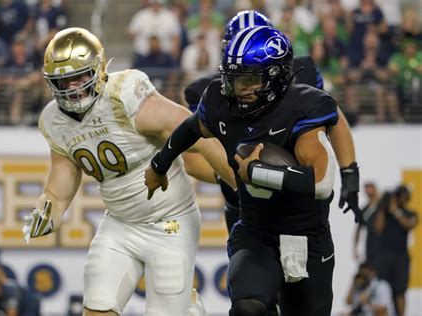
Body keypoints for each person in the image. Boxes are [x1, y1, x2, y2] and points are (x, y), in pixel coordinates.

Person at [21, 27, 234, 316]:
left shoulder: (123, 95)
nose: (71, 87)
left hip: (169, 221)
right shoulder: (54, 119)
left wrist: (239, 181)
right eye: (63, 80)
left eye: (78, 76)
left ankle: (187, 308)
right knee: (97, 308)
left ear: (97, 68)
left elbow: (195, 131)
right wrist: (49, 208)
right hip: (120, 223)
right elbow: (62, 179)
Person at [145, 25, 341, 315]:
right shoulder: (222, 103)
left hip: (307, 236)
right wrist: (159, 164)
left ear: (274, 77)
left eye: (248, 79)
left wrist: (259, 173)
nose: (238, 88)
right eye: (233, 79)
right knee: (247, 307)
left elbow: (322, 182)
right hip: (255, 231)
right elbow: (191, 127)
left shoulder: (304, 107)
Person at [183, 10, 364, 233]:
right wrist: (242, 174)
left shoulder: (302, 73)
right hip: (245, 207)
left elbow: (334, 118)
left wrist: (349, 173)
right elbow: (192, 158)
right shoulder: (208, 93)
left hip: (297, 200)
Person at [374, 185, 418, 316]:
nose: (405, 199)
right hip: (384, 256)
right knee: (382, 289)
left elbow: (410, 224)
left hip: (401, 258)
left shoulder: (410, 213)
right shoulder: (385, 214)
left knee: (400, 291)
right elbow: (378, 229)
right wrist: (383, 207)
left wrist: (396, 211)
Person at [353, 182, 381, 262]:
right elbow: (358, 230)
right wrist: (355, 248)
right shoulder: (364, 210)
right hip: (371, 245)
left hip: (384, 244)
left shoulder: (383, 205)